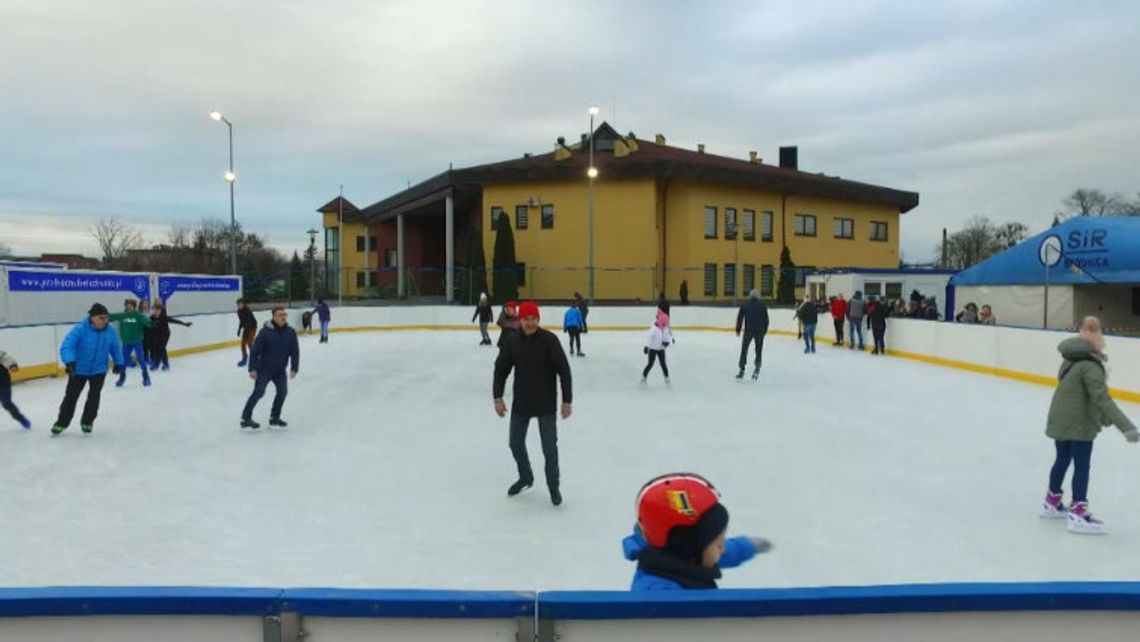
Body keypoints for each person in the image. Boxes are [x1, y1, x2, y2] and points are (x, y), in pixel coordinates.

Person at [1041, 317, 1138, 534]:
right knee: (1082, 465)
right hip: (1078, 423)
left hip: (1061, 416)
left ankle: (1051, 502)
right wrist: (1126, 426)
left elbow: (1080, 393)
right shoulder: (1091, 366)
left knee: (1062, 459)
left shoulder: (1070, 360)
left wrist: (1103, 417)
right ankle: (1078, 513)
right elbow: (1102, 399)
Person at [622, 473, 771, 590]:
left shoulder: (682, 558)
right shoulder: (659, 593)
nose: (723, 549)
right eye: (718, 544)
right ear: (688, 548)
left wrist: (749, 545)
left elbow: (725, 552)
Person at [492, 301, 573, 506]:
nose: (530, 323)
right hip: (522, 402)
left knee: (549, 449)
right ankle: (526, 476)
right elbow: (500, 370)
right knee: (515, 443)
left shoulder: (549, 341)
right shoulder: (511, 342)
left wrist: (567, 400)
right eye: (526, 319)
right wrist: (498, 397)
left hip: (546, 403)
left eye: (534, 319)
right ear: (519, 320)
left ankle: (553, 486)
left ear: (538, 319)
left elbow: (564, 371)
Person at [51, 303, 124, 435]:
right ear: (92, 317)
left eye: (106, 318)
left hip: (99, 369)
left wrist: (119, 362)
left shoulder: (110, 330)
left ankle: (87, 421)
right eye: (101, 318)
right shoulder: (80, 329)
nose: (104, 321)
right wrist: (69, 361)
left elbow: (115, 347)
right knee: (71, 396)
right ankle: (62, 423)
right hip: (79, 370)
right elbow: (67, 346)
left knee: (94, 396)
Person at [240, 307, 300, 430]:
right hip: (264, 369)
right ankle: (245, 419)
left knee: (282, 392)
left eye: (285, 314)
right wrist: (252, 368)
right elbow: (255, 351)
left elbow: (295, 351)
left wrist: (294, 367)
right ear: (274, 317)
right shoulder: (265, 333)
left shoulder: (290, 332)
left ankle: (274, 418)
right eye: (280, 315)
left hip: (280, 370)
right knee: (259, 392)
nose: (283, 317)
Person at [110, 299, 152, 388]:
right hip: (126, 342)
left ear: (134, 306)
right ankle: (122, 377)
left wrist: (152, 324)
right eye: (127, 306)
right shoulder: (122, 315)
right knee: (123, 359)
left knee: (140, 358)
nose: (129, 307)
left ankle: (146, 377)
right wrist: (101, 315)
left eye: (130, 306)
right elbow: (111, 316)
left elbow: (147, 321)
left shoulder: (138, 315)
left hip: (137, 341)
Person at [734, 289, 769, 380]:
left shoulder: (745, 305)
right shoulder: (763, 306)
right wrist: (764, 331)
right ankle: (757, 368)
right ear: (758, 296)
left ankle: (742, 369)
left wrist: (738, 329)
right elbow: (766, 320)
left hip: (748, 330)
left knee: (744, 349)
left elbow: (740, 318)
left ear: (750, 296)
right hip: (759, 331)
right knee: (758, 350)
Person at [149, 299, 192, 371]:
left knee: (161, 348)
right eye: (155, 310)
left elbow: (175, 321)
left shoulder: (164, 317)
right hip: (156, 334)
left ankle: (156, 365)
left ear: (161, 311)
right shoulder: (152, 318)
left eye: (158, 310)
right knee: (161, 349)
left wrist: (185, 324)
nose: (156, 311)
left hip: (165, 334)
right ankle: (166, 364)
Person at [641, 309, 673, 386]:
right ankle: (644, 377)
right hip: (653, 349)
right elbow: (648, 337)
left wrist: (667, 343)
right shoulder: (654, 329)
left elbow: (668, 337)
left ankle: (667, 378)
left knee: (663, 364)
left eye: (666, 322)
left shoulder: (665, 329)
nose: (665, 324)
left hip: (661, 349)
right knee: (650, 364)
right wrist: (646, 346)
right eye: (664, 322)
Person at [0, 349, 31, 429]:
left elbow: (7, 358)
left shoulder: (1, 356)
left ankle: (21, 419)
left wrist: (13, 365)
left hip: (4, 385)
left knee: (7, 403)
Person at [236, 299, 258, 367]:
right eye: (238, 304)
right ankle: (244, 358)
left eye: (240, 304)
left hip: (252, 327)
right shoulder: (239, 312)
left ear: (243, 304)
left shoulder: (247, 311)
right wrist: (239, 329)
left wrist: (247, 333)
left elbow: (249, 321)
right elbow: (241, 321)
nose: (239, 306)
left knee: (249, 343)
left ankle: (254, 358)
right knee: (243, 344)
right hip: (246, 327)